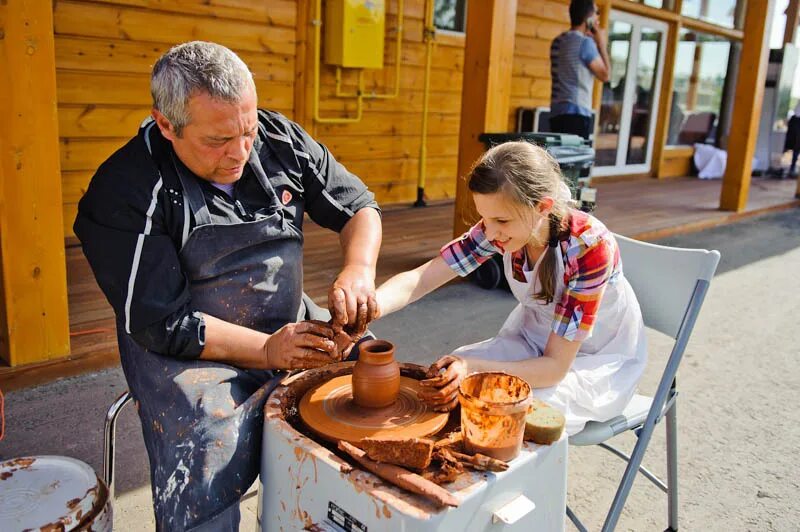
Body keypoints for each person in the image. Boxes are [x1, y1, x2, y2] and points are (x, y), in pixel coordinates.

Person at [74, 41, 381, 531]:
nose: (240, 152)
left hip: (286, 323)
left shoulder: (279, 140)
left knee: (375, 392)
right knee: (207, 451)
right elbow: (163, 324)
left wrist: (359, 270)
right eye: (218, 140)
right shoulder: (126, 189)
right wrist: (267, 349)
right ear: (166, 125)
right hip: (185, 353)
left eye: (247, 129)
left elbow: (359, 206)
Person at [375, 141, 647, 435]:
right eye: (485, 218)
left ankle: (517, 478)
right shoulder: (503, 228)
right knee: (449, 383)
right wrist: (368, 305)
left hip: (594, 360)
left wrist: (473, 366)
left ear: (542, 207)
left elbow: (555, 367)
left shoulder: (587, 248)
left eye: (501, 220)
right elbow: (422, 279)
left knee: (505, 407)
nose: (490, 233)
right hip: (534, 340)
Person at [549, 0, 611, 139]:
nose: (598, 17)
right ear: (589, 18)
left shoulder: (557, 41)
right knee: (575, 159)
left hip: (556, 112)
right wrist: (601, 44)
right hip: (577, 112)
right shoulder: (585, 43)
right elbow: (605, 75)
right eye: (596, 13)